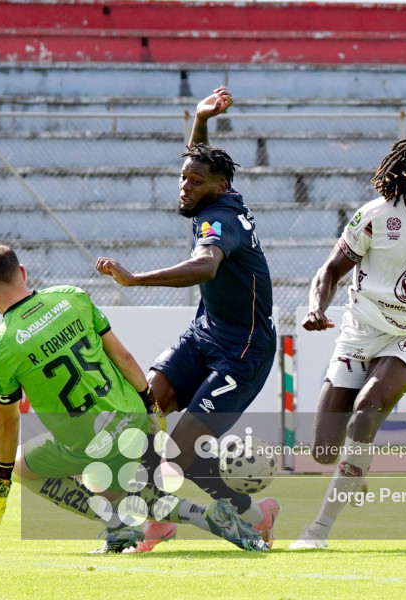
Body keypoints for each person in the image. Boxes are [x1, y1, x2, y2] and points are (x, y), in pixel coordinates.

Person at [0, 244, 267, 552]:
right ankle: (205, 516)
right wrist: (151, 406)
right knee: (112, 489)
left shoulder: (0, 348)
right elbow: (123, 357)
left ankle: (125, 525)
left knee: (21, 467)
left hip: (87, 441)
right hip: (133, 417)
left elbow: (7, 420)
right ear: (22, 272)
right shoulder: (71, 297)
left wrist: (0, 478)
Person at [95, 87, 280, 551]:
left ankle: (257, 515)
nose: (185, 186)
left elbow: (206, 267)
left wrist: (136, 281)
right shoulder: (213, 195)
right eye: (183, 178)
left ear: (217, 190)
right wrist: (201, 118)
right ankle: (158, 519)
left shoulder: (220, 220)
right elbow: (201, 162)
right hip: (204, 335)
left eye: (194, 182)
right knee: (142, 412)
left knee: (183, 451)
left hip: (244, 350)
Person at [288, 133, 406, 549]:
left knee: (367, 411)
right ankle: (357, 467)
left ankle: (317, 531)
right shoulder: (374, 215)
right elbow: (330, 270)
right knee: (322, 451)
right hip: (358, 332)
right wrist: (317, 307)